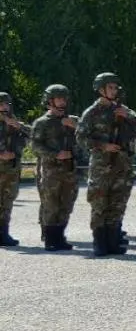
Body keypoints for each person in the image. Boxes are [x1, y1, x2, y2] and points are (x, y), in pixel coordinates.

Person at [77, 72, 136, 257]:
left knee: (118, 203)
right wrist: (102, 145)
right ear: (101, 90)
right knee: (99, 203)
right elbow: (80, 137)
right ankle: (99, 243)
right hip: (101, 165)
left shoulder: (122, 109)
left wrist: (128, 116)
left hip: (122, 164)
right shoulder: (92, 112)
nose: (114, 91)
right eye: (110, 87)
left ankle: (113, 242)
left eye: (115, 88)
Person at [30, 85, 80, 251]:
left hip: (70, 170)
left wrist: (75, 127)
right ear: (50, 101)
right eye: (59, 99)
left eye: (64, 99)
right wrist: (55, 154)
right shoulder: (42, 123)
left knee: (67, 203)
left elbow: (87, 138)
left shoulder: (73, 120)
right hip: (51, 171)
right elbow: (35, 146)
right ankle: (50, 239)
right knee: (51, 204)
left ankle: (60, 236)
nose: (62, 102)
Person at [0, 92, 31, 247]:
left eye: (6, 104)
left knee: (7, 201)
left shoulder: (15, 124)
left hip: (11, 169)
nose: (4, 107)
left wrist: (18, 126)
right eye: (1, 104)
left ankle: (3, 233)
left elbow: (35, 134)